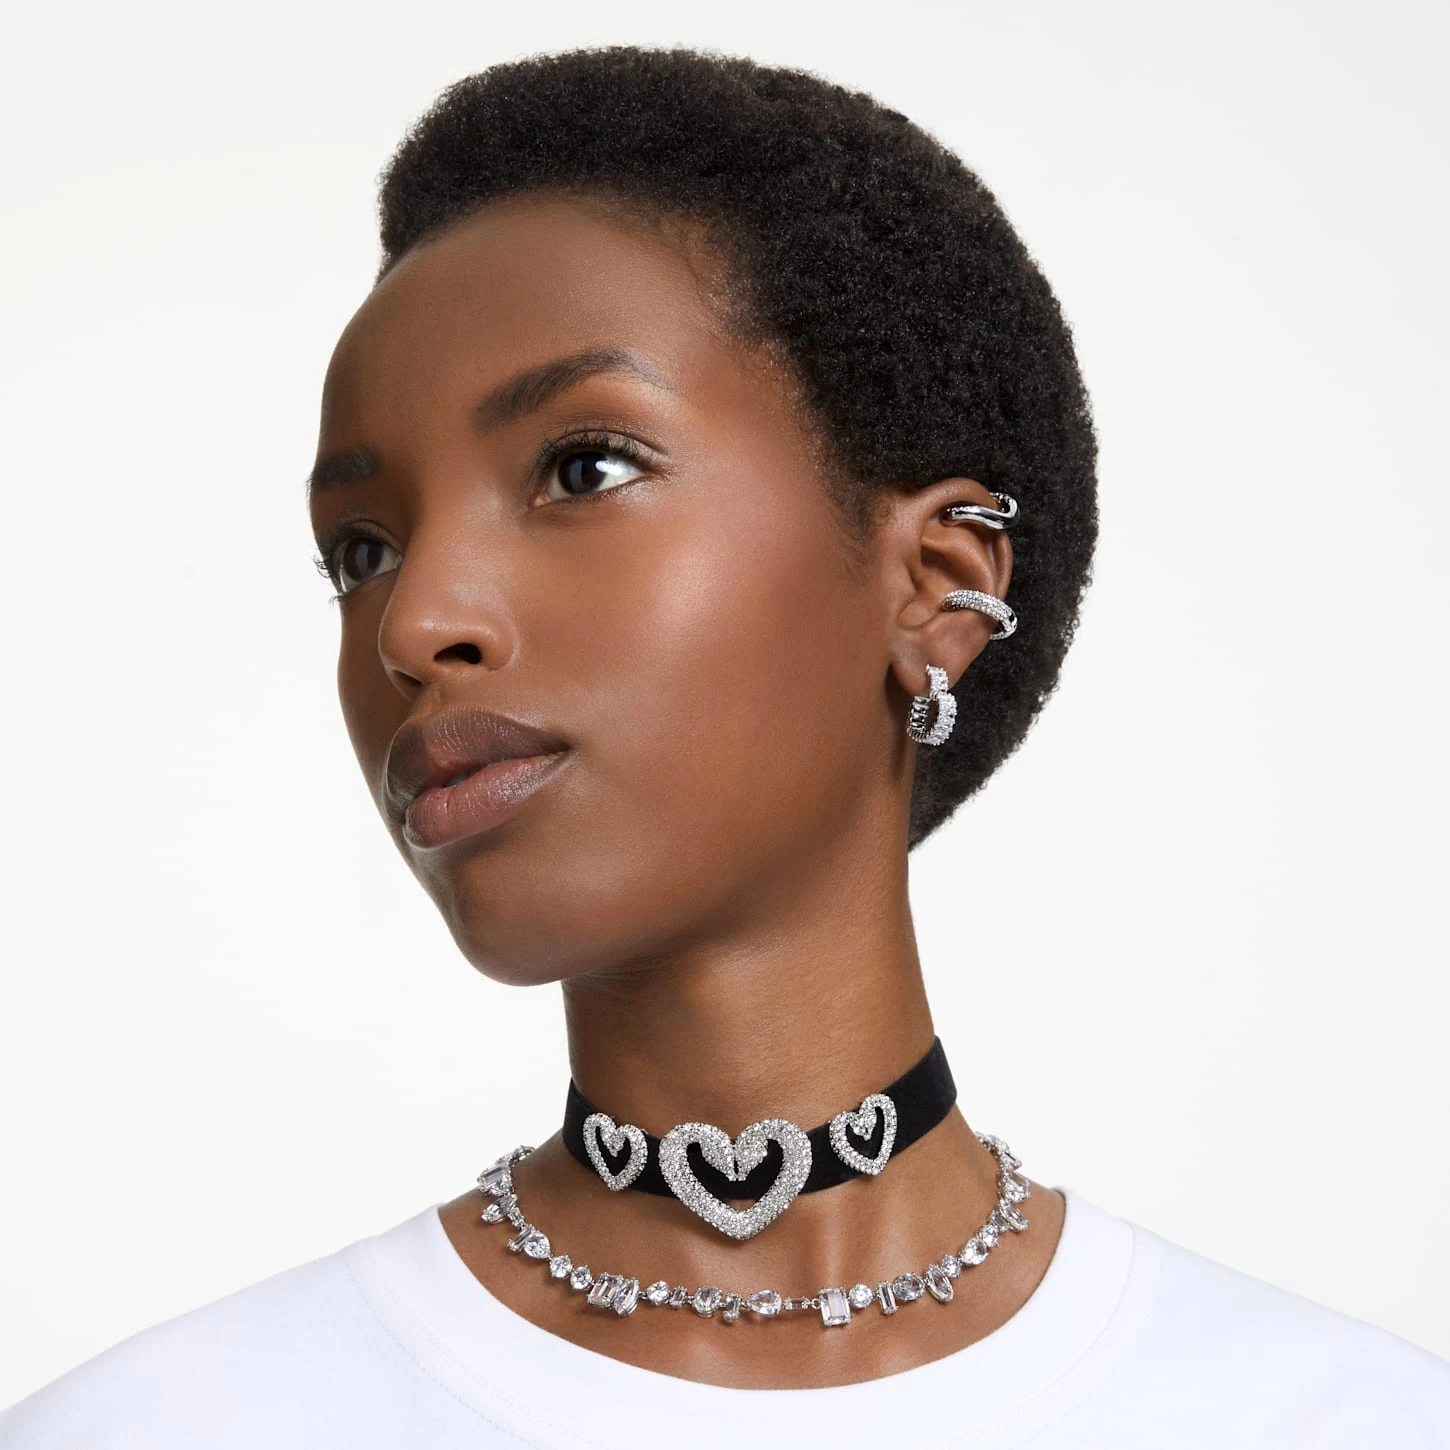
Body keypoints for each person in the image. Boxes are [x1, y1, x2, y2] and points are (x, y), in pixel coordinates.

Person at [3, 43, 1447, 1449]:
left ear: (938, 588)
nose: (416, 621)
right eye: (361, 550)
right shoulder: (162, 1427)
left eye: (582, 468)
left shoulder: (1338, 1420)